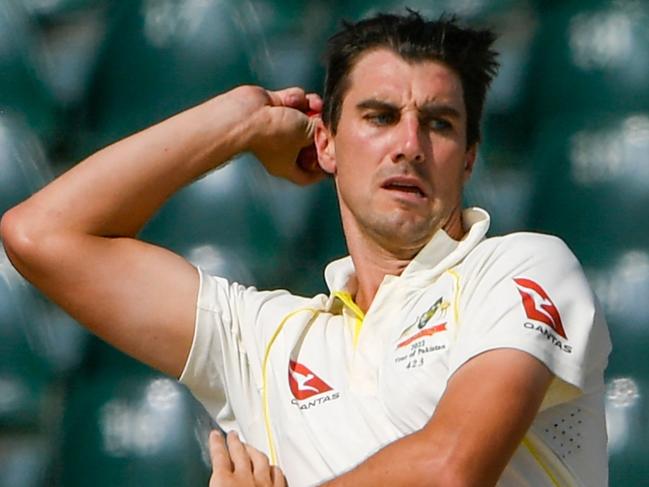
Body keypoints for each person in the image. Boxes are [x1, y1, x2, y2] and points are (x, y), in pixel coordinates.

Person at [0, 11, 611, 487]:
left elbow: (450, 469)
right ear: (325, 144)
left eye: (440, 123)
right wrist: (239, 120)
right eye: (378, 116)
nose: (410, 145)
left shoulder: (522, 267)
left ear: (470, 158)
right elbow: (41, 236)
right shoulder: (266, 343)